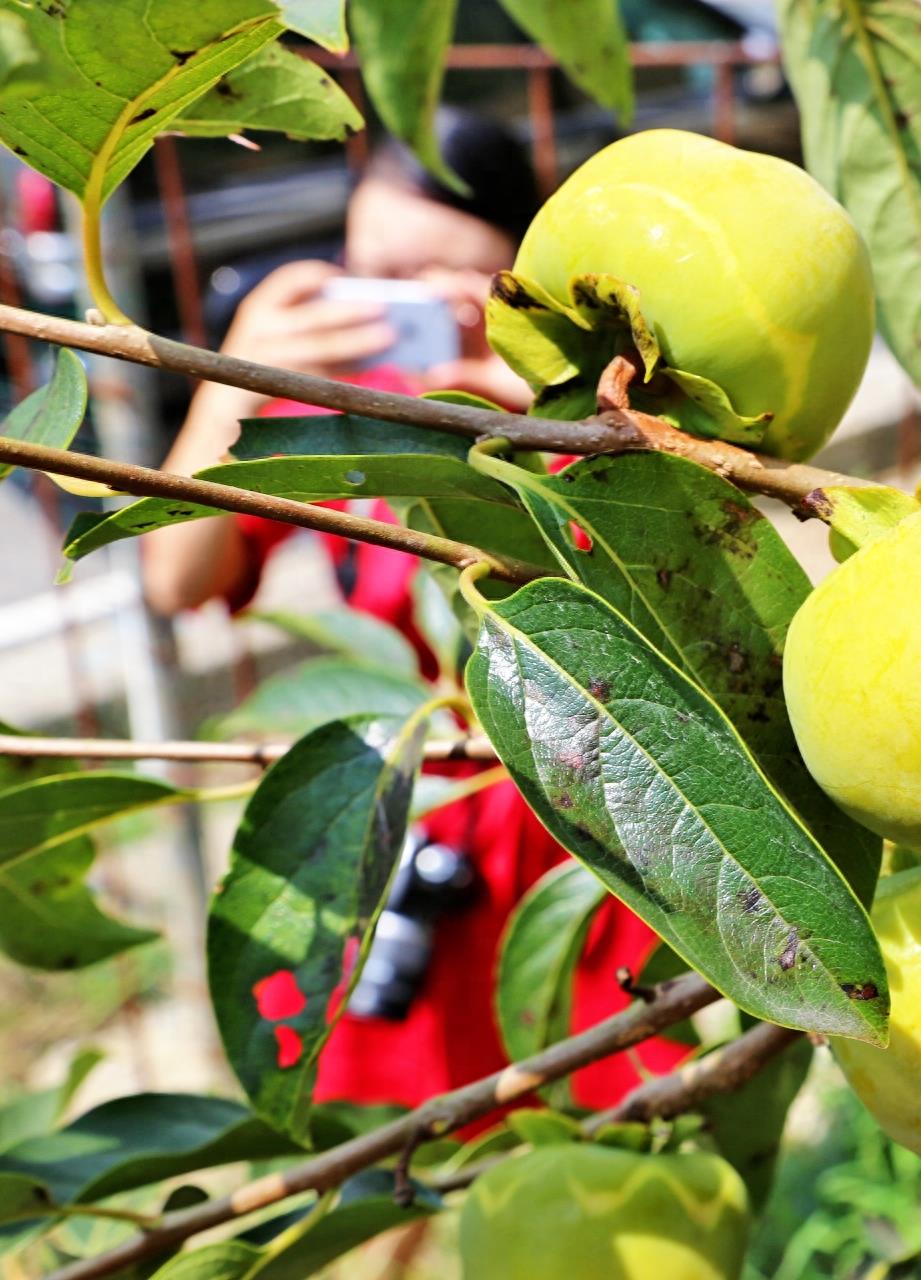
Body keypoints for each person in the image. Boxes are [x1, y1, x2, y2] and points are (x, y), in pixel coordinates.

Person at [145, 110, 689, 1110]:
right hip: (421, 803)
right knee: (395, 1115)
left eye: (450, 284)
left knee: (593, 1100)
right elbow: (176, 579)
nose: (406, 311)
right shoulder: (341, 402)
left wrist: (553, 443)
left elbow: (675, 603)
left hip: (578, 806)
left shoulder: (585, 412)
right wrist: (230, 380)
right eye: (374, 273)